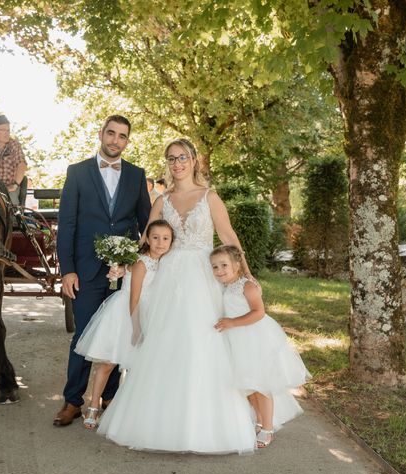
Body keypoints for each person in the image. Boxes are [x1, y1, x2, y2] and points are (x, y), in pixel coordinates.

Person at [98, 138, 256, 454]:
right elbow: (147, 241)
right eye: (171, 158)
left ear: (194, 160)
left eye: (182, 157)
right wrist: (125, 266)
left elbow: (227, 236)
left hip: (203, 277)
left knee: (203, 341)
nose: (177, 163)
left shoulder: (210, 197)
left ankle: (205, 423)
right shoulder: (162, 200)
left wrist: (246, 274)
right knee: (164, 340)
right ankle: (157, 421)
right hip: (167, 279)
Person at [55, 115, 151, 427]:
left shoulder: (136, 176)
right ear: (101, 134)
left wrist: (132, 261)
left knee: (118, 334)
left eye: (122, 136)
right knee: (83, 335)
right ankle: (72, 401)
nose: (115, 140)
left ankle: (110, 397)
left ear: (127, 141)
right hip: (85, 270)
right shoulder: (78, 172)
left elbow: (145, 225)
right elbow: (67, 224)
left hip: (122, 272)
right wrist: (67, 270)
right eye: (111, 133)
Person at [75, 219, 174, 429]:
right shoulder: (141, 262)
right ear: (147, 238)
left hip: (148, 314)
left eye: (166, 238)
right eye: (155, 237)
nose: (160, 243)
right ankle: (93, 406)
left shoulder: (164, 262)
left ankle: (131, 408)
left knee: (140, 365)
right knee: (109, 363)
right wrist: (137, 328)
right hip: (126, 315)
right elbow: (134, 299)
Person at [210, 244, 311, 448]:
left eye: (224, 265)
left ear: (237, 265)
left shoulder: (247, 286)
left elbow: (259, 312)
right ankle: (258, 420)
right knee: (248, 386)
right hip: (236, 341)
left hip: (254, 338)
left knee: (261, 385)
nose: (219, 271)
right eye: (215, 267)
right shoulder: (226, 286)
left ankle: (268, 428)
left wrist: (232, 322)